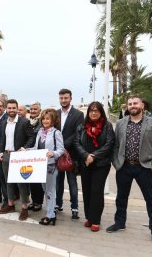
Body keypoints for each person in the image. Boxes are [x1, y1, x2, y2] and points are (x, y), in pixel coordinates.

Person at [106, 95, 152, 245]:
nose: (133, 106)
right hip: (124, 166)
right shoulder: (120, 123)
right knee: (121, 197)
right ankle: (120, 222)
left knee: (150, 199)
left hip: (144, 167)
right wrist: (116, 162)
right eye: (130, 104)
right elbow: (116, 146)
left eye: (135, 103)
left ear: (142, 105)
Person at [74, 101, 115, 232]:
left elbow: (109, 144)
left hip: (101, 164)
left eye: (96, 110)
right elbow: (76, 142)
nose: (93, 113)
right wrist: (86, 156)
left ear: (101, 112)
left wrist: (94, 156)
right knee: (86, 191)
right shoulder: (82, 126)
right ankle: (89, 218)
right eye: (91, 110)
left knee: (97, 191)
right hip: (85, 163)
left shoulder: (107, 126)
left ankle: (96, 220)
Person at [0, 99, 35, 221]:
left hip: (19, 156)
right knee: (9, 181)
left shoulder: (24, 122)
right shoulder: (4, 122)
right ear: (6, 109)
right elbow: (3, 139)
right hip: (7, 156)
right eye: (9, 108)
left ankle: (24, 208)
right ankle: (10, 205)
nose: (12, 110)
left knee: (21, 182)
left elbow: (32, 137)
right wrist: (1, 152)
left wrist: (24, 148)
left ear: (17, 109)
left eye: (14, 108)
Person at [28, 109, 64, 225]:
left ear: (53, 120)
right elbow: (36, 148)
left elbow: (61, 150)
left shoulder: (56, 133)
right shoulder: (40, 132)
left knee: (50, 191)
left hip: (51, 165)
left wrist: (53, 153)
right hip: (40, 165)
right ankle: (50, 213)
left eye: (47, 118)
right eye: (43, 118)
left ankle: (50, 215)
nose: (45, 121)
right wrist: (25, 150)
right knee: (45, 190)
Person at [56, 88, 84, 220]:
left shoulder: (78, 114)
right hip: (57, 154)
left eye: (66, 98)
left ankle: (74, 208)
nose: (63, 100)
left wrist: (63, 145)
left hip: (71, 154)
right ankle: (58, 204)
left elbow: (77, 133)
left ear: (70, 98)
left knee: (72, 182)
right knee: (58, 182)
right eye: (61, 98)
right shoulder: (55, 113)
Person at [28, 101, 44, 212]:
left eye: (35, 109)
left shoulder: (42, 122)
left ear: (39, 111)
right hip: (29, 153)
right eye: (32, 109)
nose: (33, 111)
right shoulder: (27, 122)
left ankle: (39, 202)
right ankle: (33, 201)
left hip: (39, 154)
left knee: (38, 181)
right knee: (31, 180)